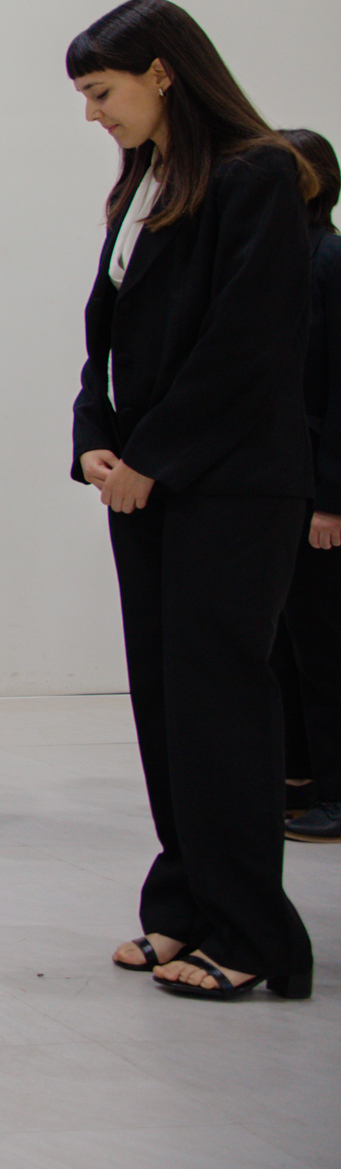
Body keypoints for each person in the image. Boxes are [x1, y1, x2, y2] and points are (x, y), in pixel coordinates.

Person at [69, 0, 316, 1002]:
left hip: (229, 484)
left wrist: (154, 458)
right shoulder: (143, 179)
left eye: (102, 92)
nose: (92, 114)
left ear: (163, 72)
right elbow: (109, 330)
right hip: (149, 482)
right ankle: (186, 898)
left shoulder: (257, 173)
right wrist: (93, 433)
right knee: (167, 703)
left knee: (220, 706)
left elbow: (245, 344)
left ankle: (254, 930)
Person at [276, 127, 341, 844]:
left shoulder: (330, 257)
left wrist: (332, 500)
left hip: (320, 492)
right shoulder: (282, 260)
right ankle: (297, 778)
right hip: (282, 486)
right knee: (284, 644)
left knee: (324, 649)